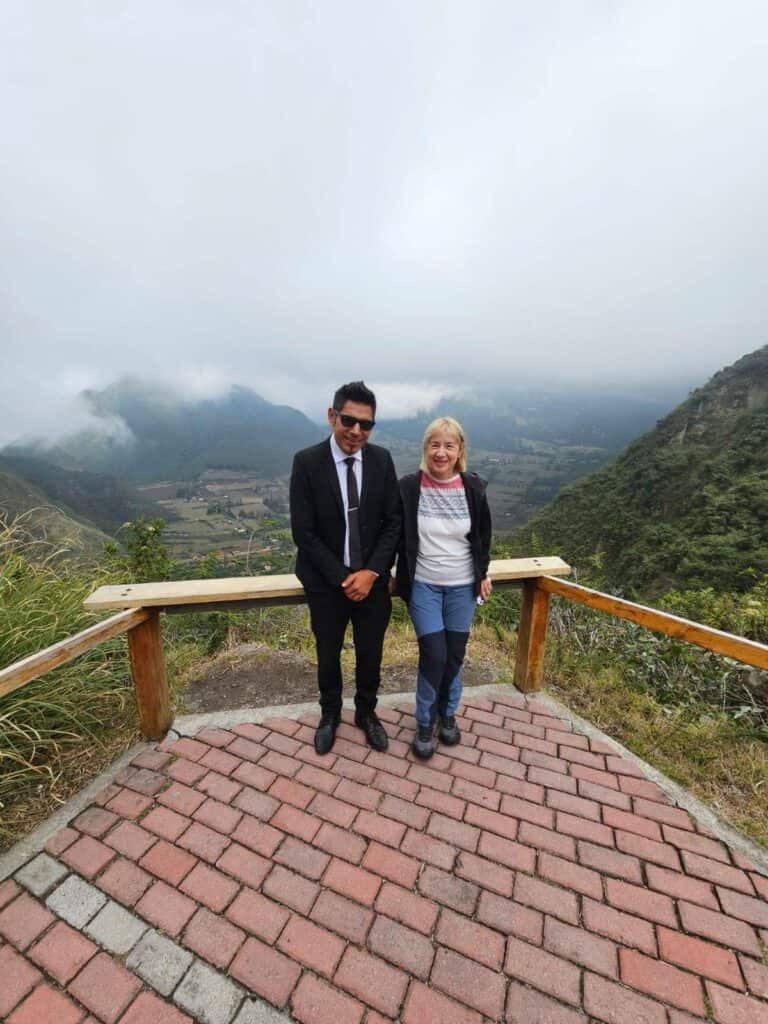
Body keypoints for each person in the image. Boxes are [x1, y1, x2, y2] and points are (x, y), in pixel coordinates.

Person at [290, 381, 401, 755]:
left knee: (371, 653)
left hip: (372, 582)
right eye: (348, 420)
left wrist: (371, 573)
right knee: (328, 652)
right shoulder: (306, 463)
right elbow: (303, 532)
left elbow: (392, 523)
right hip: (326, 583)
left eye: (366, 424)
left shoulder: (382, 460)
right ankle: (329, 715)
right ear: (331, 415)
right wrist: (343, 577)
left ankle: (367, 714)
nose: (356, 431)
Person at [396, 416, 492, 759]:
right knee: (434, 655)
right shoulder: (409, 487)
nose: (441, 452)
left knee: (454, 656)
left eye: (448, 446)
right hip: (423, 584)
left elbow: (482, 538)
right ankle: (424, 721)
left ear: (460, 450)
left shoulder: (473, 488)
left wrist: (484, 573)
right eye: (435, 445)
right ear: (426, 448)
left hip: (462, 587)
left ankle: (446, 714)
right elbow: (395, 533)